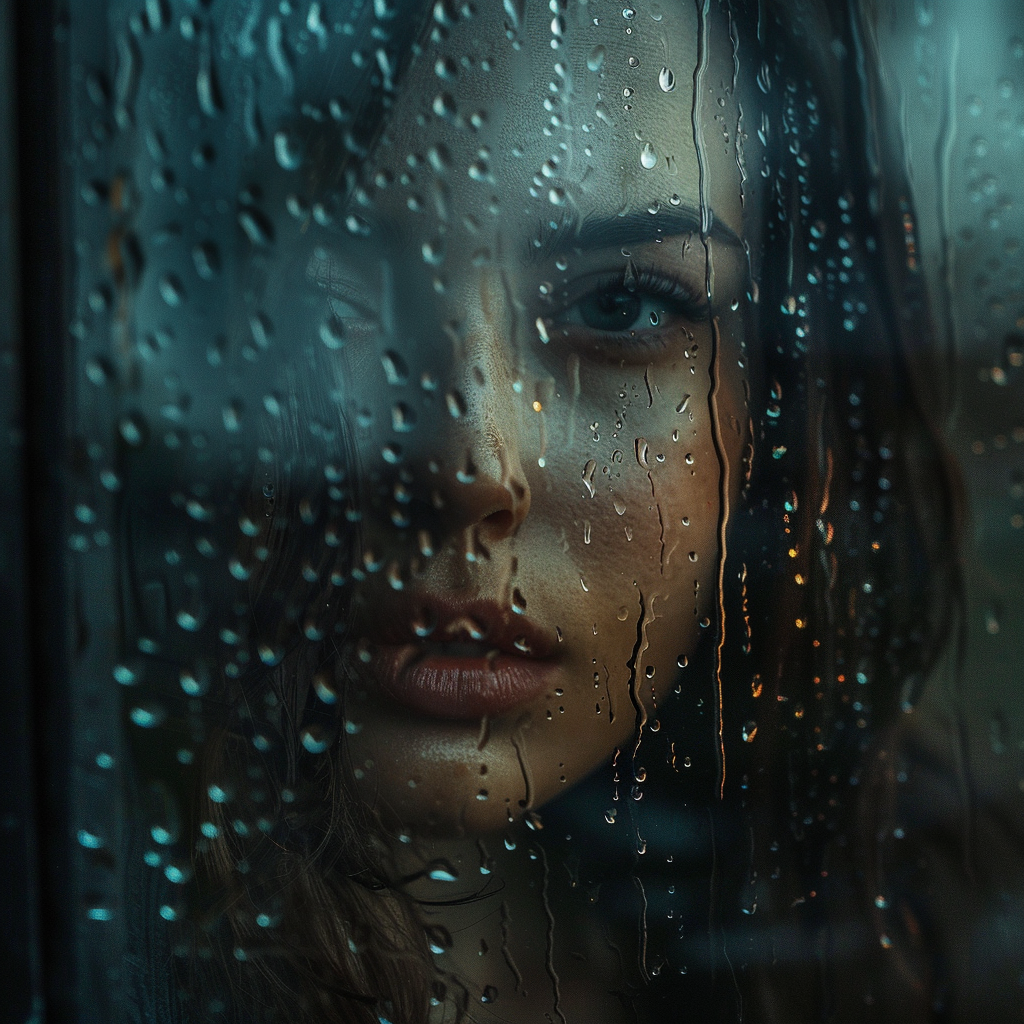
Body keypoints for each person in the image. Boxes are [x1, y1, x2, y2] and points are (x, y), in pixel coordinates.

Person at [115, 0, 960, 1020]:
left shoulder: (919, 946)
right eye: (326, 302)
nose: (470, 467)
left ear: (773, 411)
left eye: (622, 306)